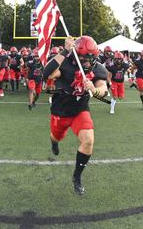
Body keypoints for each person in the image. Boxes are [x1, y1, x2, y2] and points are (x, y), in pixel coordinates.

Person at [43, 35, 108, 195]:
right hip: (60, 110)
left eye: (89, 59)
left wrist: (93, 90)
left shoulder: (98, 68)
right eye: (82, 58)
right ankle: (54, 143)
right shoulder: (65, 63)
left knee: (88, 141)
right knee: (56, 136)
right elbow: (47, 73)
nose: (85, 62)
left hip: (80, 110)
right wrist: (65, 51)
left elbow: (103, 92)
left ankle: (77, 177)